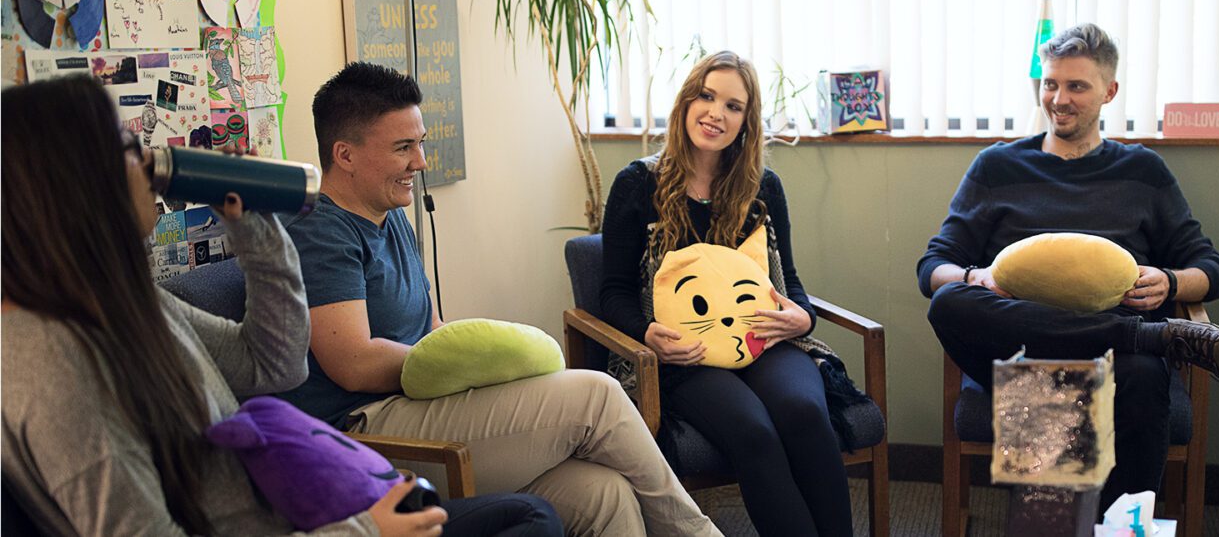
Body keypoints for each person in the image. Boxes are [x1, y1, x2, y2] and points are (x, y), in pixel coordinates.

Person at [1, 76, 562, 536]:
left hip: (291, 514)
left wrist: (255, 226)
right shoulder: (47, 358)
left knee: (534, 513)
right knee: (528, 522)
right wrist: (362, 531)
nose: (148, 163)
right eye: (126, 149)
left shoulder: (127, 302)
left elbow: (274, 366)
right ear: (74, 180)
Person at [276, 62, 719, 537]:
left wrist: (496, 369)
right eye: (403, 147)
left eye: (420, 142)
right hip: (363, 435)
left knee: (603, 493)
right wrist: (469, 370)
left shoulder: (389, 216)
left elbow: (431, 331)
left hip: (413, 408)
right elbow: (354, 363)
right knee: (598, 395)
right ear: (344, 155)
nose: (421, 161)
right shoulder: (320, 232)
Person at [916, 23, 1219, 511]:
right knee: (951, 300)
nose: (1059, 98)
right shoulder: (997, 167)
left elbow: (1210, 267)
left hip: (1118, 363)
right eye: (1051, 84)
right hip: (1022, 349)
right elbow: (933, 266)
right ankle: (1148, 336)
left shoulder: (1142, 171)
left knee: (1140, 376)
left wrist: (1168, 282)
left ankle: (1117, 524)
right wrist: (977, 277)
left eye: (1076, 86)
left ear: (1109, 91)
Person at [599, 51, 865, 537]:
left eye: (733, 106)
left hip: (763, 337)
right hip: (687, 353)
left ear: (747, 121)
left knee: (805, 411)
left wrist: (802, 319)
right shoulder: (638, 184)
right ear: (685, 102)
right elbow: (612, 292)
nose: (715, 113)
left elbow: (791, 283)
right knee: (754, 431)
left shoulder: (763, 187)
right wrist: (647, 333)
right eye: (706, 96)